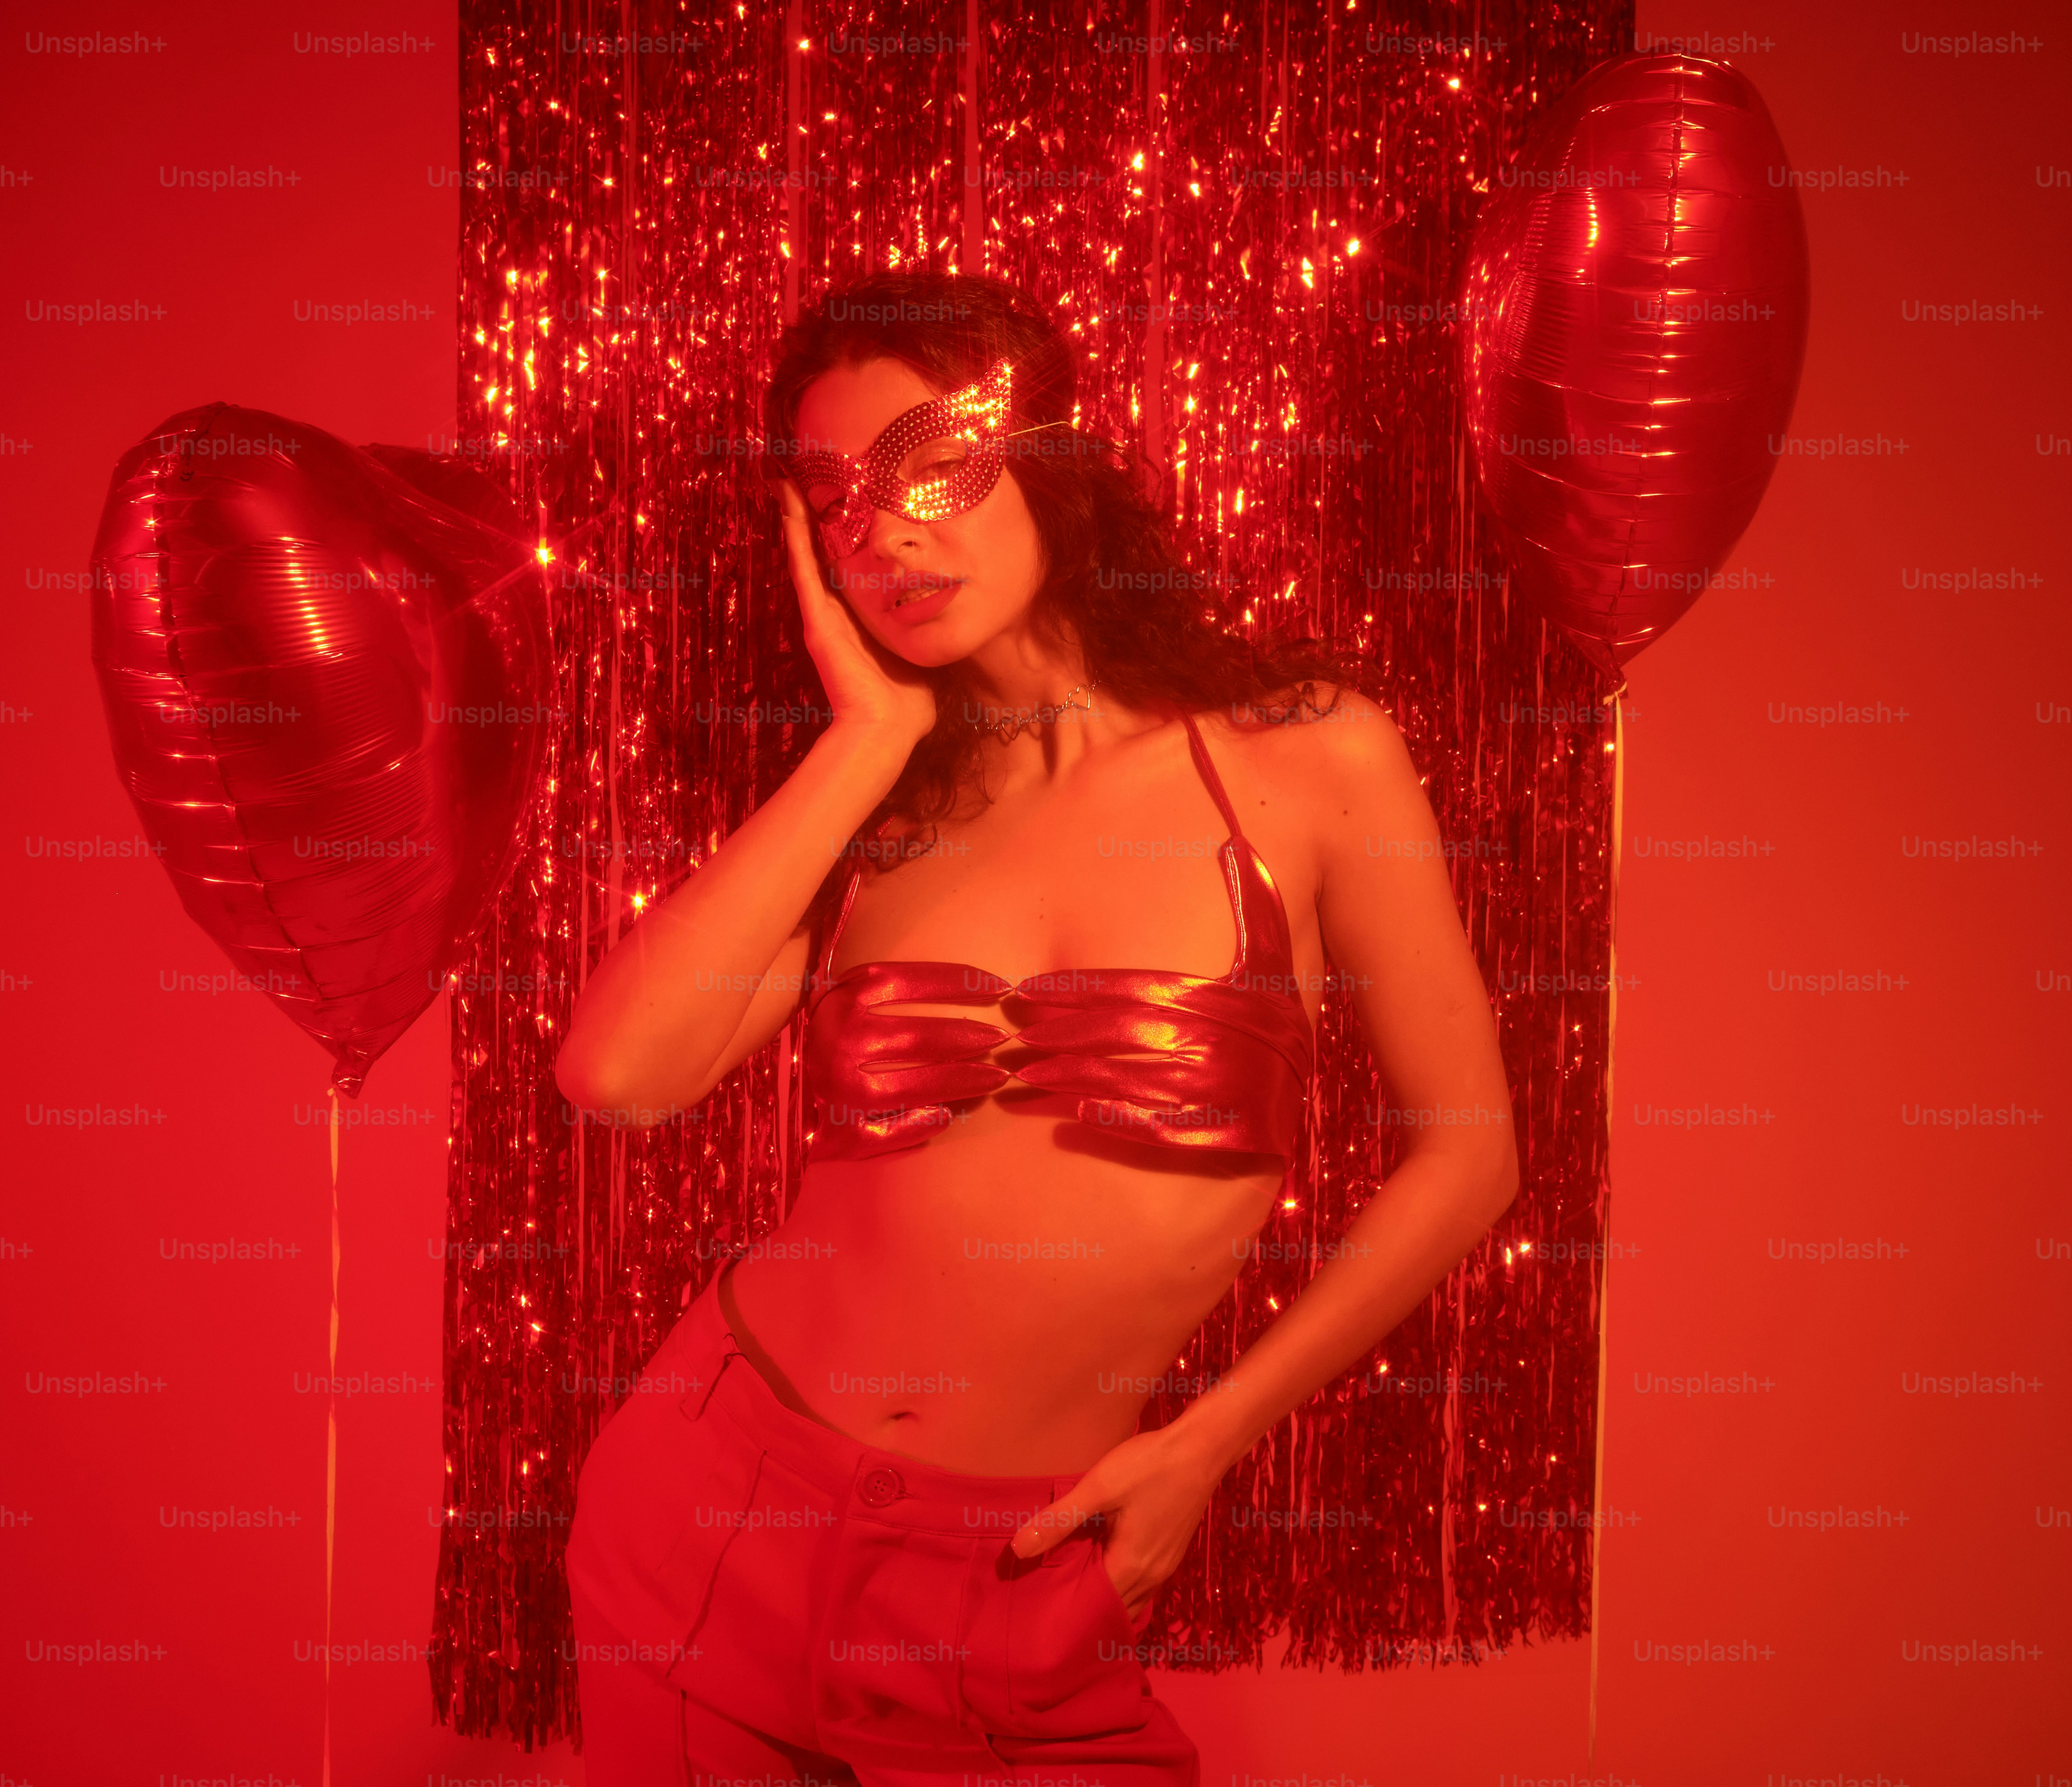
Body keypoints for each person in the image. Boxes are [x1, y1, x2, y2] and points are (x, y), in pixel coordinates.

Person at [554, 271, 1520, 1786]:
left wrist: (1213, 1441)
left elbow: (1470, 1160)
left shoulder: (1307, 753)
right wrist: (869, 738)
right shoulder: (879, 828)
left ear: (1053, 461)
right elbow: (614, 1078)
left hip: (1017, 1567)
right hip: (708, 1512)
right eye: (834, 503)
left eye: (930, 465)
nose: (885, 531)